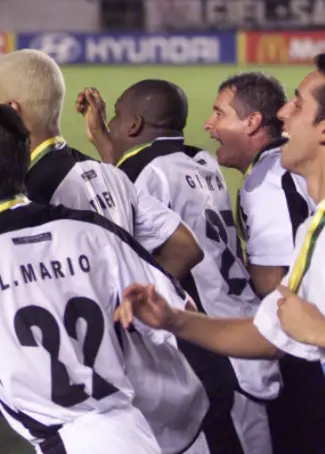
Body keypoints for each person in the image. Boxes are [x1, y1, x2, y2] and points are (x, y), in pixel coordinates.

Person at [0, 49, 207, 454]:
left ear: (11, 111)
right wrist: (124, 311)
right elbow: (183, 249)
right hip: (168, 395)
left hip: (97, 401)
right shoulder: (104, 172)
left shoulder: (33, 199)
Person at [78, 79, 277, 454]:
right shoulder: (202, 162)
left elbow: (128, 183)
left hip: (215, 348)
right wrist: (102, 134)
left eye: (118, 119)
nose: (113, 127)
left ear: (134, 126)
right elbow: (136, 169)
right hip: (246, 328)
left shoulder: (143, 172)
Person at [202, 71, 325, 454]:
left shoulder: (269, 179)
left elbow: (276, 282)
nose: (209, 125)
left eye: (219, 113)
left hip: (302, 364)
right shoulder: (282, 181)